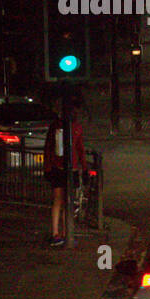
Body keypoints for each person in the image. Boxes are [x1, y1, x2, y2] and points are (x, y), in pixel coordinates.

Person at [44, 95, 85, 247]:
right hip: (59, 167)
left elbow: (80, 148)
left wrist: (83, 167)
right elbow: (49, 147)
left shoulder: (74, 127)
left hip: (68, 167)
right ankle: (57, 233)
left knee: (66, 201)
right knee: (59, 200)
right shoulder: (58, 126)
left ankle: (65, 232)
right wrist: (48, 167)